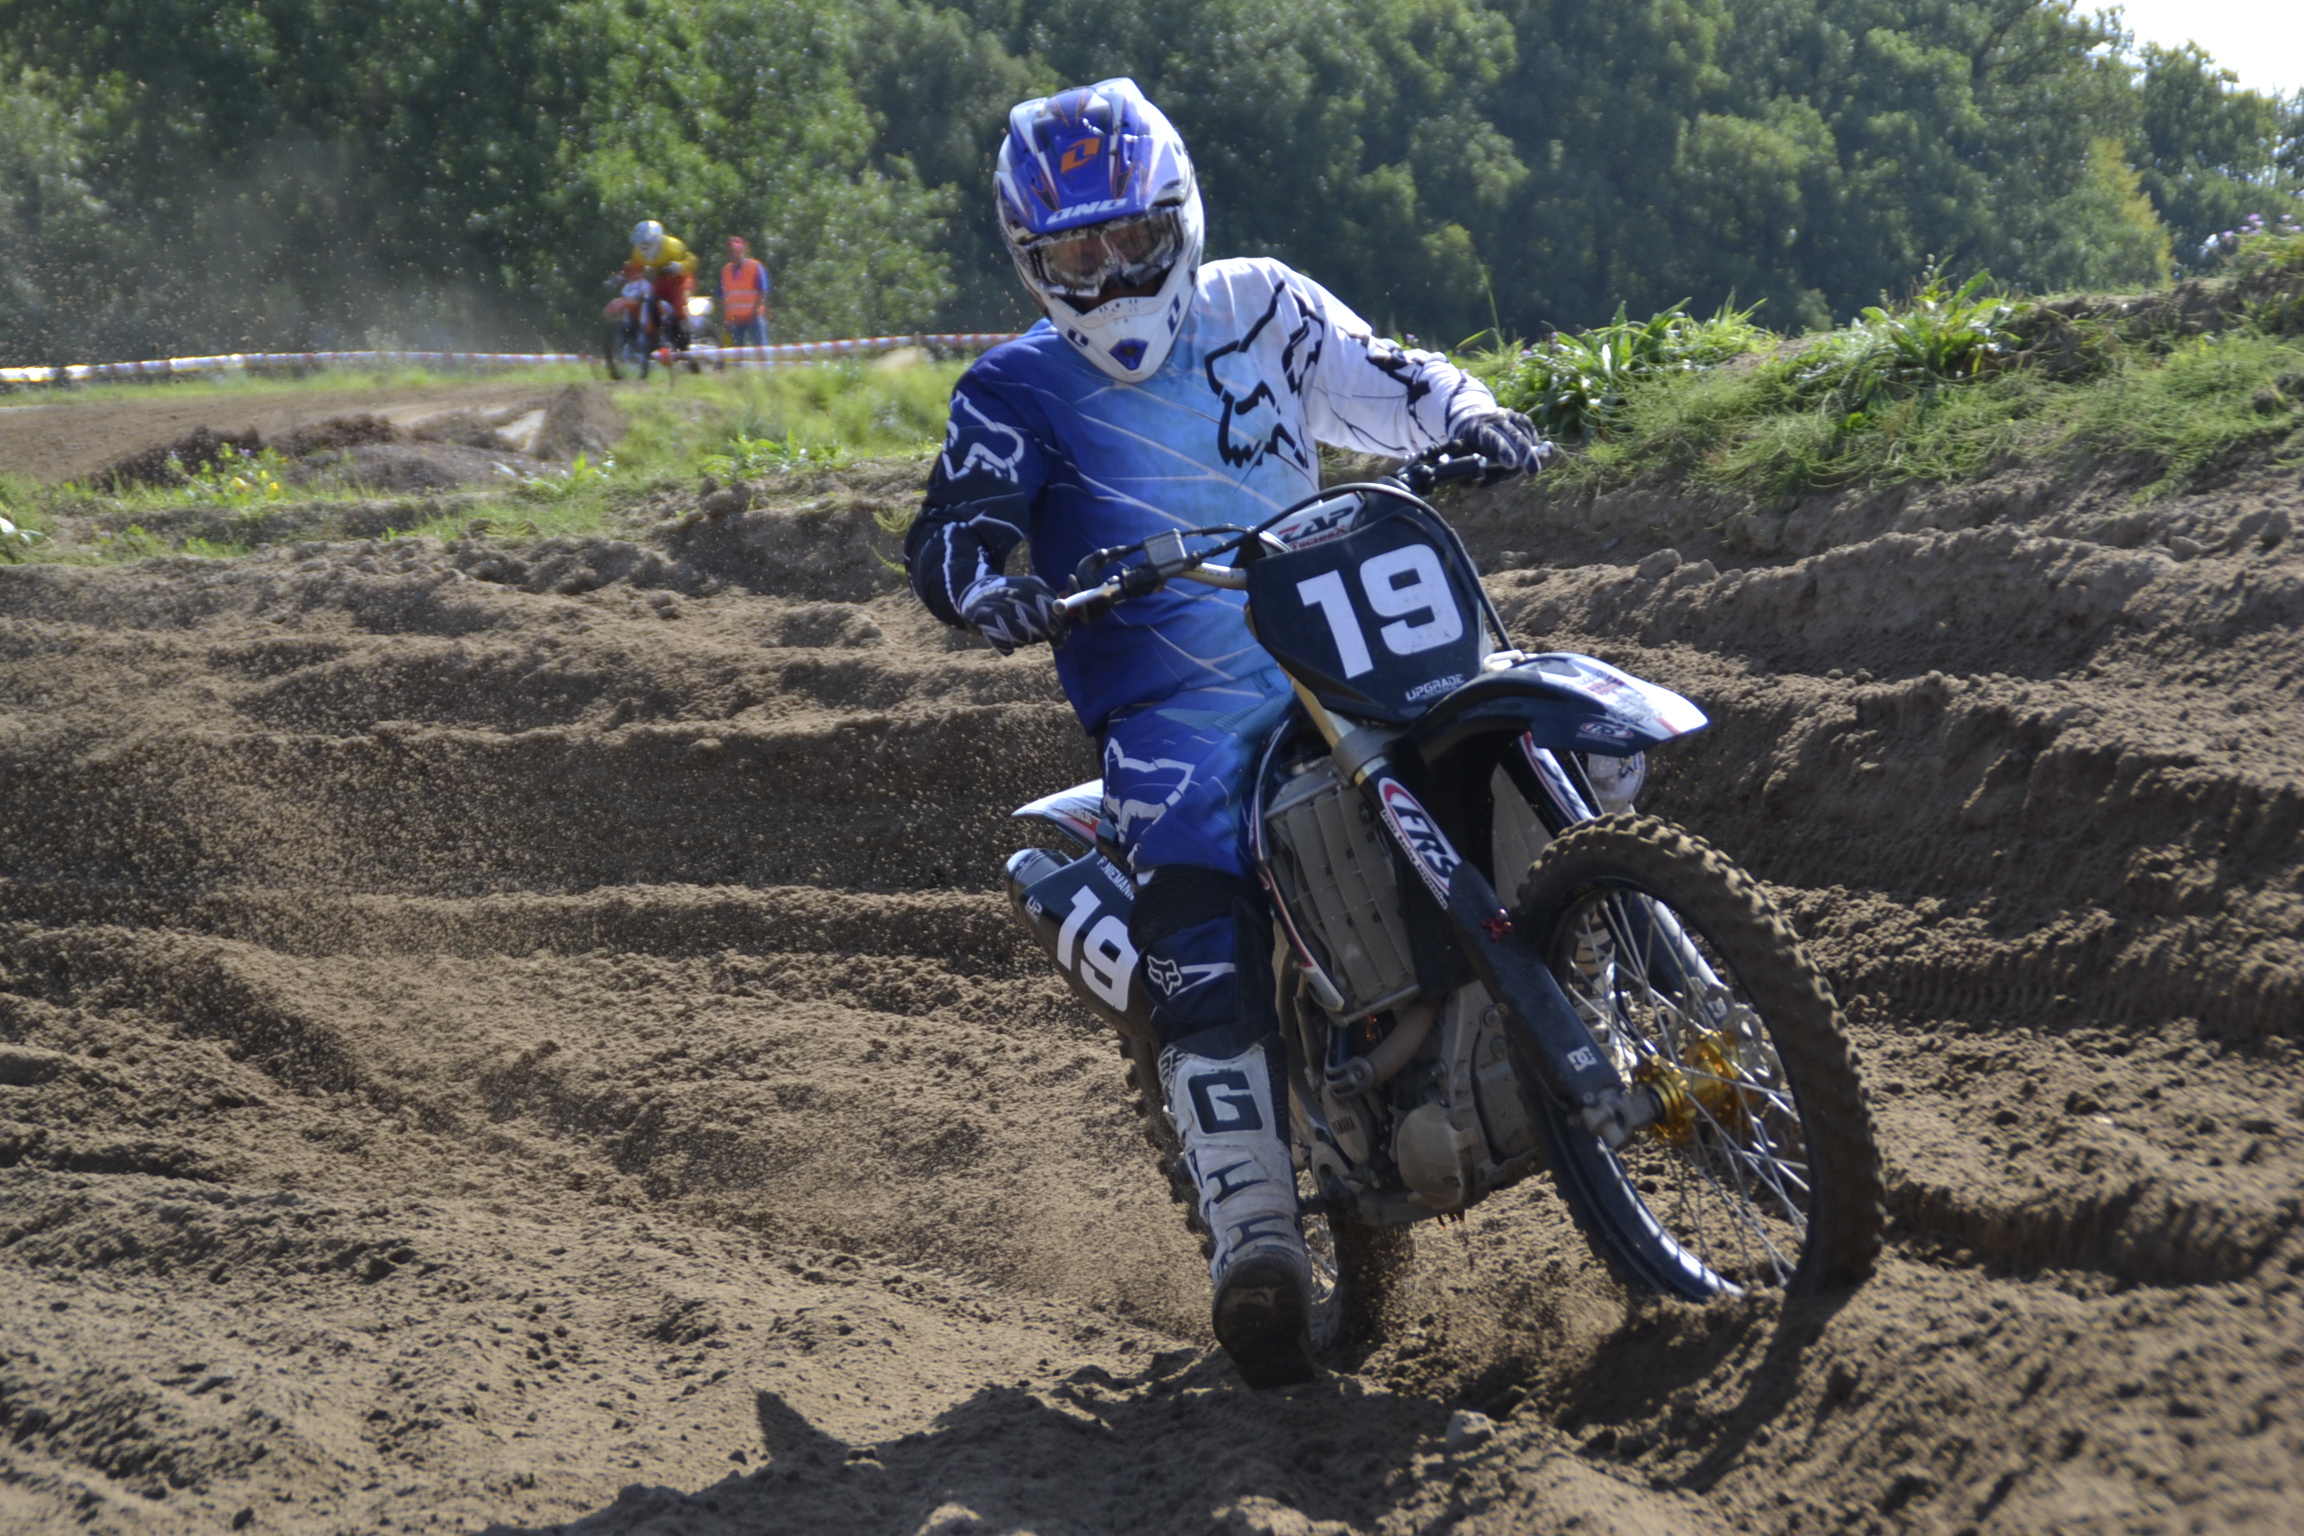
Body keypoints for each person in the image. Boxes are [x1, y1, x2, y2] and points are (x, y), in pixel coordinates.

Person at [904, 79, 1551, 1388]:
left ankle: (1610, 944)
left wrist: (1470, 416)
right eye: (1078, 255)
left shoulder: (1261, 303)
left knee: (1509, 713)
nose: (1112, 272)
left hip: (1338, 635)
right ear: (1032, 261)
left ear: (1180, 215)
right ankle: (1255, 1227)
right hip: (1174, 699)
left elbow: (1388, 376)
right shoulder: (1013, 387)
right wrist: (986, 589)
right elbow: (956, 527)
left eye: (1133, 237)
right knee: (1195, 883)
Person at [629, 219, 696, 349]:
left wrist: (680, 266)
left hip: (680, 280)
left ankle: (685, 340)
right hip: (661, 281)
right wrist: (622, 276)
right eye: (641, 242)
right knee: (651, 304)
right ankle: (655, 339)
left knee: (679, 308)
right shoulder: (637, 252)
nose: (643, 246)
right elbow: (633, 267)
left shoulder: (674, 246)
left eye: (646, 242)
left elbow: (693, 261)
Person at [720, 236, 773, 348]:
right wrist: (726, 318)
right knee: (737, 351)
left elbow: (763, 290)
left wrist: (756, 311)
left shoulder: (755, 267)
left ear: (743, 250)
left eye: (736, 250)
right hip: (735, 320)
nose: (733, 254)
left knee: (761, 349)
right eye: (731, 251)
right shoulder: (725, 271)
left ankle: (765, 361)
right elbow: (723, 296)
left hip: (754, 317)